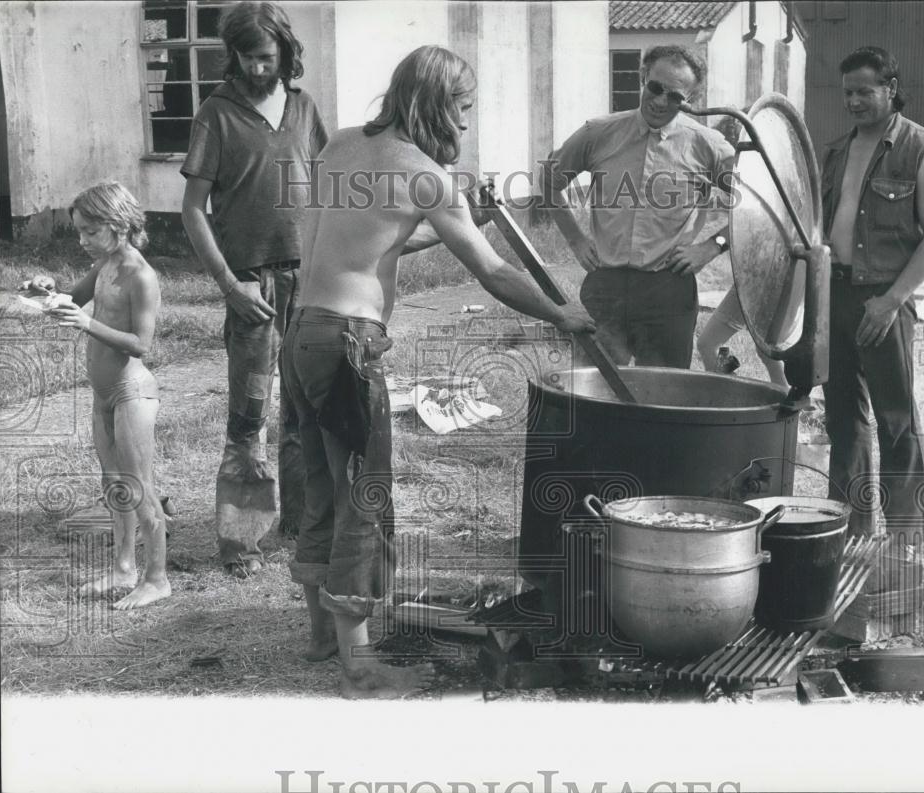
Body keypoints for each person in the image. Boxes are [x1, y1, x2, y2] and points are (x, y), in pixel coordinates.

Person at [283, 45, 595, 697]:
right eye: (465, 108)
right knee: (364, 496)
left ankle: (322, 635)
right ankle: (360, 667)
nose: (466, 122)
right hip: (347, 342)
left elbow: (373, 235)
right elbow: (495, 272)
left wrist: (464, 218)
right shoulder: (427, 176)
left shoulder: (340, 144)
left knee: (322, 484)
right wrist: (560, 313)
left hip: (302, 332)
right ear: (442, 105)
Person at [181, 1, 329, 577]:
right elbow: (193, 209)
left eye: (267, 56)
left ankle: (296, 522)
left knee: (304, 407)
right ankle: (241, 542)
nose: (257, 67)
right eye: (247, 56)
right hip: (251, 283)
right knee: (250, 415)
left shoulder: (304, 108)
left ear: (286, 54)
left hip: (309, 276)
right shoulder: (215, 113)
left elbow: (326, 192)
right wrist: (228, 283)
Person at [818, 45, 924, 546]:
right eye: (847, 92)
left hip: (885, 300)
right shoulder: (834, 151)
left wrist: (893, 300)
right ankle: (848, 533)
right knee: (842, 421)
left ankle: (905, 541)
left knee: (896, 420)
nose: (853, 101)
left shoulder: (921, 148)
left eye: (864, 91)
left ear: (890, 89)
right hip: (836, 296)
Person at [541, 44, 735, 368]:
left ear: (691, 101)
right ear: (643, 78)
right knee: (594, 391)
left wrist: (712, 246)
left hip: (668, 291)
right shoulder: (598, 133)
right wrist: (575, 239)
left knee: (664, 400)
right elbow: (549, 180)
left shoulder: (709, 146)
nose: (660, 101)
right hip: (605, 287)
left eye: (674, 96)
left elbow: (758, 209)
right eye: (655, 88)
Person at [30, 182, 170, 609]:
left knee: (138, 485)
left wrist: (86, 323)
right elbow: (71, 300)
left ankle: (158, 578)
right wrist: (44, 291)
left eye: (90, 231)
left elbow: (141, 344)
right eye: (80, 231)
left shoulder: (139, 275)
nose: (82, 240)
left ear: (118, 225)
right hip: (103, 394)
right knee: (113, 483)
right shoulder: (107, 264)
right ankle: (124, 568)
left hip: (132, 392)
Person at [696, 109, 791, 388]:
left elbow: (749, 227)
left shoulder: (766, 180)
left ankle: (786, 398)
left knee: (758, 346)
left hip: (770, 277)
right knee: (714, 344)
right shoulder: (750, 179)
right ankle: (750, 389)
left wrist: (715, 245)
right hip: (753, 277)